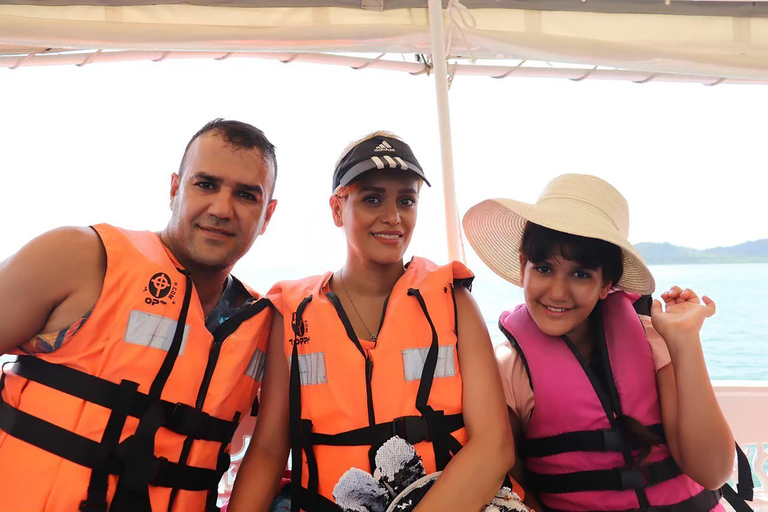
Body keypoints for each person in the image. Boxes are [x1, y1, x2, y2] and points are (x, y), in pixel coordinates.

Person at [0, 118, 278, 512]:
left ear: (267, 215)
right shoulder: (78, 257)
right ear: (174, 188)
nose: (222, 208)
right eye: (206, 184)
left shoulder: (263, 326)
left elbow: (267, 449)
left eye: (247, 195)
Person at [229, 132, 514, 512]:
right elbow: (267, 450)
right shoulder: (293, 314)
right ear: (336, 208)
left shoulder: (455, 302)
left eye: (406, 200)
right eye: (372, 199)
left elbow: (494, 446)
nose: (393, 217)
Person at [462, 174, 737, 511]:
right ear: (523, 267)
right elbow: (516, 491)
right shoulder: (506, 371)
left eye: (581, 274)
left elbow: (714, 472)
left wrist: (684, 341)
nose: (558, 292)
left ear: (607, 283)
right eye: (544, 268)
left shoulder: (653, 342)